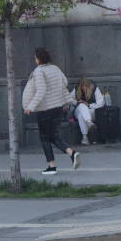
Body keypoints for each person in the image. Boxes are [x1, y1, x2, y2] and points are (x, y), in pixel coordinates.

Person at [23, 47, 80, 175]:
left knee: (44, 138)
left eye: (35, 57)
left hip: (45, 109)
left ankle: (52, 166)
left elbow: (41, 91)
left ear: (38, 59)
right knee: (54, 135)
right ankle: (72, 153)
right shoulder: (55, 68)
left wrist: (30, 107)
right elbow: (64, 82)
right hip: (58, 107)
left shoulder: (39, 72)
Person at [71, 77, 104, 145]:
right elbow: (69, 99)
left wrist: (89, 105)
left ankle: (85, 138)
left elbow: (100, 104)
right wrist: (77, 102)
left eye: (84, 86)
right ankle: (89, 123)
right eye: (81, 86)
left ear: (88, 85)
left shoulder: (95, 89)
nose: (82, 88)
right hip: (78, 109)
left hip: (91, 111)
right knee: (81, 105)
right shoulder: (76, 89)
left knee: (81, 116)